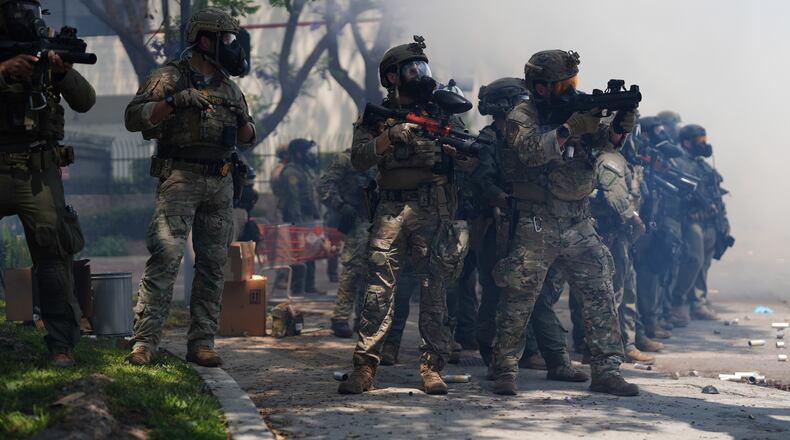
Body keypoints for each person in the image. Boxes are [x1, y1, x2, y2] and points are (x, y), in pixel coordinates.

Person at [488, 49, 638, 396]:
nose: (571, 89)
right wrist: (569, 129)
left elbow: (605, 145)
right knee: (519, 297)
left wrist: (618, 129)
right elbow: (528, 152)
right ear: (541, 87)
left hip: (578, 219)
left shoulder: (578, 111)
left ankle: (606, 370)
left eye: (574, 82)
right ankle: (505, 369)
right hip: (536, 220)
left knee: (599, 290)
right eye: (563, 84)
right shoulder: (521, 114)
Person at [124, 7, 255, 367]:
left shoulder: (230, 86)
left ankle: (201, 343)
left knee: (213, 265)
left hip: (221, 182)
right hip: (180, 177)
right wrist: (173, 101)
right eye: (225, 38)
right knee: (166, 259)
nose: (231, 45)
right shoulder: (169, 77)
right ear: (204, 40)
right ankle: (145, 343)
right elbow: (133, 118)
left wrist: (242, 119)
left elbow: (248, 137)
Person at [338, 36, 468, 395]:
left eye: (422, 67)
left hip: (433, 208)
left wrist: (451, 152)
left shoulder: (441, 113)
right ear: (392, 77)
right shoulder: (376, 117)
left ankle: (432, 368)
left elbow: (471, 157)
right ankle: (365, 369)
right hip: (390, 210)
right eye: (411, 69)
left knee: (434, 291)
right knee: (378, 291)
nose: (420, 74)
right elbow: (359, 158)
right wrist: (390, 136)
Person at [471, 77, 586, 383]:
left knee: (538, 295)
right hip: (499, 225)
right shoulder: (490, 138)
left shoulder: (529, 133)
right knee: (498, 292)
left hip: (532, 220)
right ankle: (495, 356)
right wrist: (506, 200)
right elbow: (484, 182)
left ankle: (553, 358)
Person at [0, 0, 96, 367]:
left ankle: (61, 345)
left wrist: (60, 72)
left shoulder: (47, 46)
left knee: (54, 257)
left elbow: (85, 101)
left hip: (37, 169)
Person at [671, 124, 729, 321]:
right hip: (689, 221)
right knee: (693, 260)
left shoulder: (705, 167)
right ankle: (678, 302)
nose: (704, 145)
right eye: (699, 141)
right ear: (686, 142)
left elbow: (717, 195)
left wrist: (724, 222)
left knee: (704, 263)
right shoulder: (677, 164)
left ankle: (698, 302)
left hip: (709, 222)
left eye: (704, 140)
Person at [317, 149, 376, 337]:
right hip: (357, 217)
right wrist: (340, 205)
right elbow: (325, 184)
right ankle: (341, 317)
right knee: (353, 267)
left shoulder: (384, 155)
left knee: (373, 270)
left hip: (380, 217)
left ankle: (363, 318)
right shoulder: (347, 158)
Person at [278, 138, 323, 295]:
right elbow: (293, 200)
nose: (309, 156)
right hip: (297, 220)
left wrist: (316, 217)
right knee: (298, 255)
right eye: (306, 152)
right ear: (298, 154)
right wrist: (298, 225)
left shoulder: (303, 170)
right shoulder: (291, 172)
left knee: (311, 251)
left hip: (308, 219)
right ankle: (297, 290)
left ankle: (309, 286)